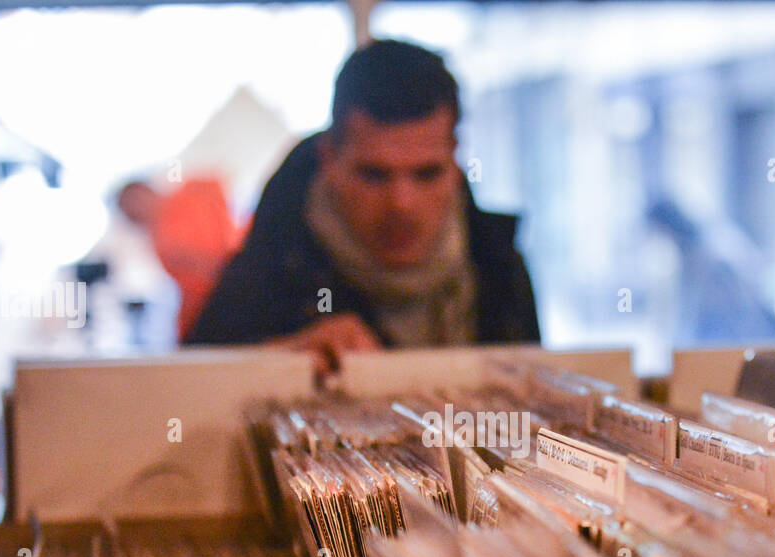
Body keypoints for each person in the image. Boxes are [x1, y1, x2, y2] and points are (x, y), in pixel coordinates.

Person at [184, 39, 540, 374]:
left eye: (427, 173)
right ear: (328, 159)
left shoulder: (498, 263)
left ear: (455, 160)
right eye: (374, 175)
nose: (402, 204)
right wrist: (281, 363)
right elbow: (181, 387)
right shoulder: (271, 265)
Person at [116, 176, 244, 343]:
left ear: (143, 192)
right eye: (129, 214)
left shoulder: (191, 193)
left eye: (131, 208)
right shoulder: (160, 239)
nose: (134, 215)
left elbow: (209, 264)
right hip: (211, 305)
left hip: (225, 295)